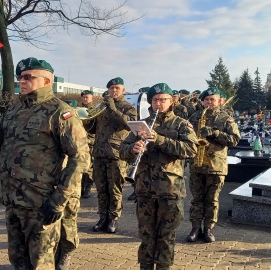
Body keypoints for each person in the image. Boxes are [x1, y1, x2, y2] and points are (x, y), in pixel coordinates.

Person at [0, 57, 90, 269]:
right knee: (17, 260)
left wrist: (59, 200)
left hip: (41, 203)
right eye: (19, 77)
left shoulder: (60, 112)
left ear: (47, 81)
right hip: (13, 200)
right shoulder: (12, 111)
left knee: (40, 262)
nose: (21, 81)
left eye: (27, 77)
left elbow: (80, 158)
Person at [120, 83, 198, 270]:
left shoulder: (181, 124)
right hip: (145, 189)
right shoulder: (142, 123)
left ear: (171, 101)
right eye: (155, 100)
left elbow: (191, 149)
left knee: (165, 238)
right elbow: (122, 150)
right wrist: (133, 148)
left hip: (170, 190)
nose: (159, 103)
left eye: (163, 99)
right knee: (146, 236)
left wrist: (160, 140)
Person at [187, 87, 241, 243]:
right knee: (196, 199)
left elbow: (234, 139)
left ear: (219, 101)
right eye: (207, 99)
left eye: (213, 99)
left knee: (212, 199)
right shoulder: (194, 117)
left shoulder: (225, 118)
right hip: (197, 164)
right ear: (203, 102)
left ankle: (208, 229)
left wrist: (215, 133)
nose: (209, 102)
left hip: (216, 165)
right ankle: (195, 228)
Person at [87, 77, 137, 234]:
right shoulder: (102, 106)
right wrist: (87, 120)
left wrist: (113, 109)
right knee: (101, 189)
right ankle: (103, 217)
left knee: (115, 188)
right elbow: (93, 129)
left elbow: (129, 125)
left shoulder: (128, 107)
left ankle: (113, 219)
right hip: (100, 153)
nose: (114, 91)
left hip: (116, 154)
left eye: (117, 88)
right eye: (111, 88)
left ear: (123, 90)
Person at [80, 89, 95, 198]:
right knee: (80, 166)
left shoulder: (95, 110)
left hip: (91, 141)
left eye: (87, 97)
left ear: (92, 98)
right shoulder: (79, 110)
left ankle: (88, 187)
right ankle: (80, 188)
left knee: (89, 167)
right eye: (84, 97)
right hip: (80, 142)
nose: (85, 99)